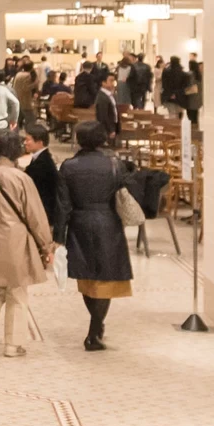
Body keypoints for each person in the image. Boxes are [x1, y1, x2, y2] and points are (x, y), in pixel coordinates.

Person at [0, 130, 57, 353]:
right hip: (16, 241)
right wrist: (46, 245)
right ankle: (13, 345)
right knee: (16, 290)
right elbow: (35, 215)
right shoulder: (21, 178)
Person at [57, 117, 138, 350]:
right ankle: (95, 330)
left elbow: (62, 205)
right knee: (105, 278)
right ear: (102, 139)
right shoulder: (114, 164)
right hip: (107, 222)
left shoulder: (68, 166)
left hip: (80, 223)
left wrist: (58, 237)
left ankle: (95, 326)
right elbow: (128, 188)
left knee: (86, 277)